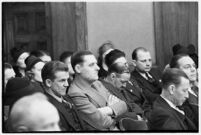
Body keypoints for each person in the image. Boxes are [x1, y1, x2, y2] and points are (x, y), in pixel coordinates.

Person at [68, 50, 127, 130]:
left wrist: (104, 110)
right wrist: (114, 110)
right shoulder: (75, 93)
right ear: (78, 69)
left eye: (96, 64)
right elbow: (102, 123)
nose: (98, 68)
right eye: (91, 65)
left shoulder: (97, 83)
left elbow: (123, 105)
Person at [41, 61, 85, 131]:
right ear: (48, 82)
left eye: (67, 80)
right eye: (62, 81)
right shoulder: (45, 108)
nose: (67, 84)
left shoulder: (67, 98)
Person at [170, 54, 198, 129]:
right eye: (187, 67)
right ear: (176, 71)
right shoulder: (178, 97)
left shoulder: (196, 89)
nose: (193, 69)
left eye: (194, 66)